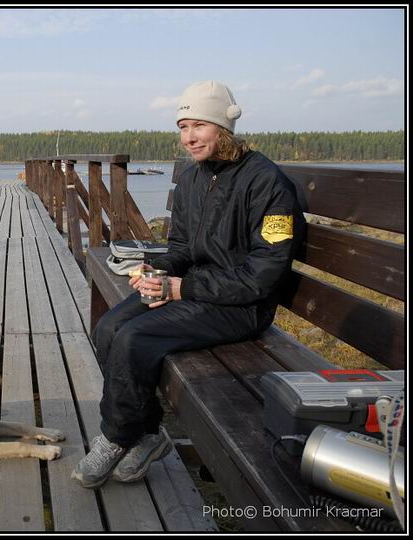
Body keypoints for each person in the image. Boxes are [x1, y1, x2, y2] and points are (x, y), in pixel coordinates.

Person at [71, 80, 304, 489]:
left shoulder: (267, 183)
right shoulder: (197, 178)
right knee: (108, 326)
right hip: (194, 289)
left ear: (223, 128)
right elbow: (180, 244)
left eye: (199, 125)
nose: (189, 138)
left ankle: (116, 436)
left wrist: (182, 289)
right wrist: (155, 270)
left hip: (241, 307)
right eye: (182, 127)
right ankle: (145, 434)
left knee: (134, 338)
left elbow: (263, 276)